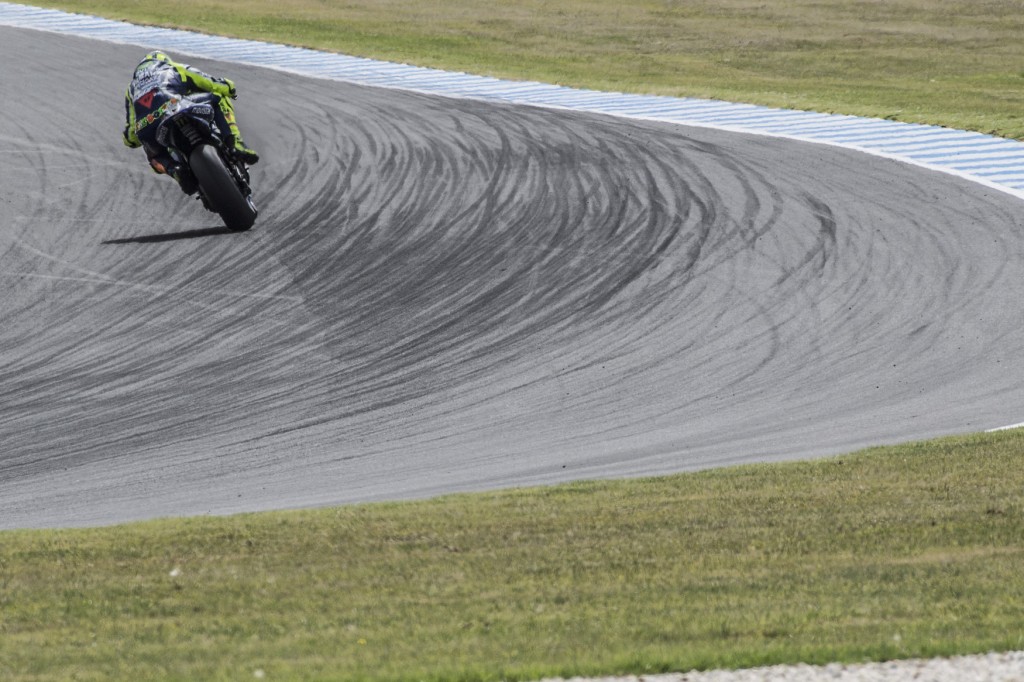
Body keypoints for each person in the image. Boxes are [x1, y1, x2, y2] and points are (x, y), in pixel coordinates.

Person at [122, 51, 259, 194]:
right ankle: (235, 143)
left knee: (155, 157)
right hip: (175, 105)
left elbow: (131, 136)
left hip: (147, 125)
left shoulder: (132, 88)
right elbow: (209, 83)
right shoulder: (172, 68)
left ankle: (174, 170)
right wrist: (229, 88)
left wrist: (131, 139)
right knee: (218, 97)